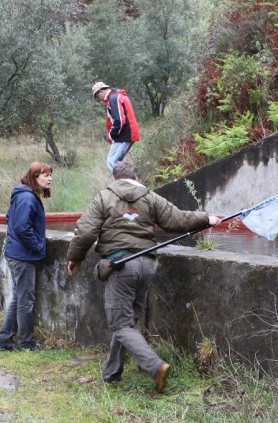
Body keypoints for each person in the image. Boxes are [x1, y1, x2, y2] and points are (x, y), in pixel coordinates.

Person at [66, 161, 221, 393]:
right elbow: (176, 219)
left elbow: (86, 232)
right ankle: (111, 372)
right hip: (147, 264)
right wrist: (206, 219)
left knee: (120, 324)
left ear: (114, 178)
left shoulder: (104, 197)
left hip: (120, 266)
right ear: (137, 177)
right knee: (127, 323)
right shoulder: (149, 196)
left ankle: (155, 366)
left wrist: (75, 258)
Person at [0, 161, 53, 352]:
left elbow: (9, 218)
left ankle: (4, 340)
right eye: (45, 175)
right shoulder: (27, 198)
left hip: (18, 253)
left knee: (19, 299)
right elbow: (21, 227)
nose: (49, 178)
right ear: (34, 177)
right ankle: (27, 342)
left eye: (50, 175)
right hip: (23, 256)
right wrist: (37, 246)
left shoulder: (24, 195)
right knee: (25, 301)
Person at [92, 81, 140, 174]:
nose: (99, 99)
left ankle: (125, 184)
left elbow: (119, 121)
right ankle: (128, 181)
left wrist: (111, 135)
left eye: (97, 96)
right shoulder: (116, 96)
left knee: (113, 162)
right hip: (125, 134)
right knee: (115, 162)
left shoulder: (113, 99)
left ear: (100, 91)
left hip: (125, 135)